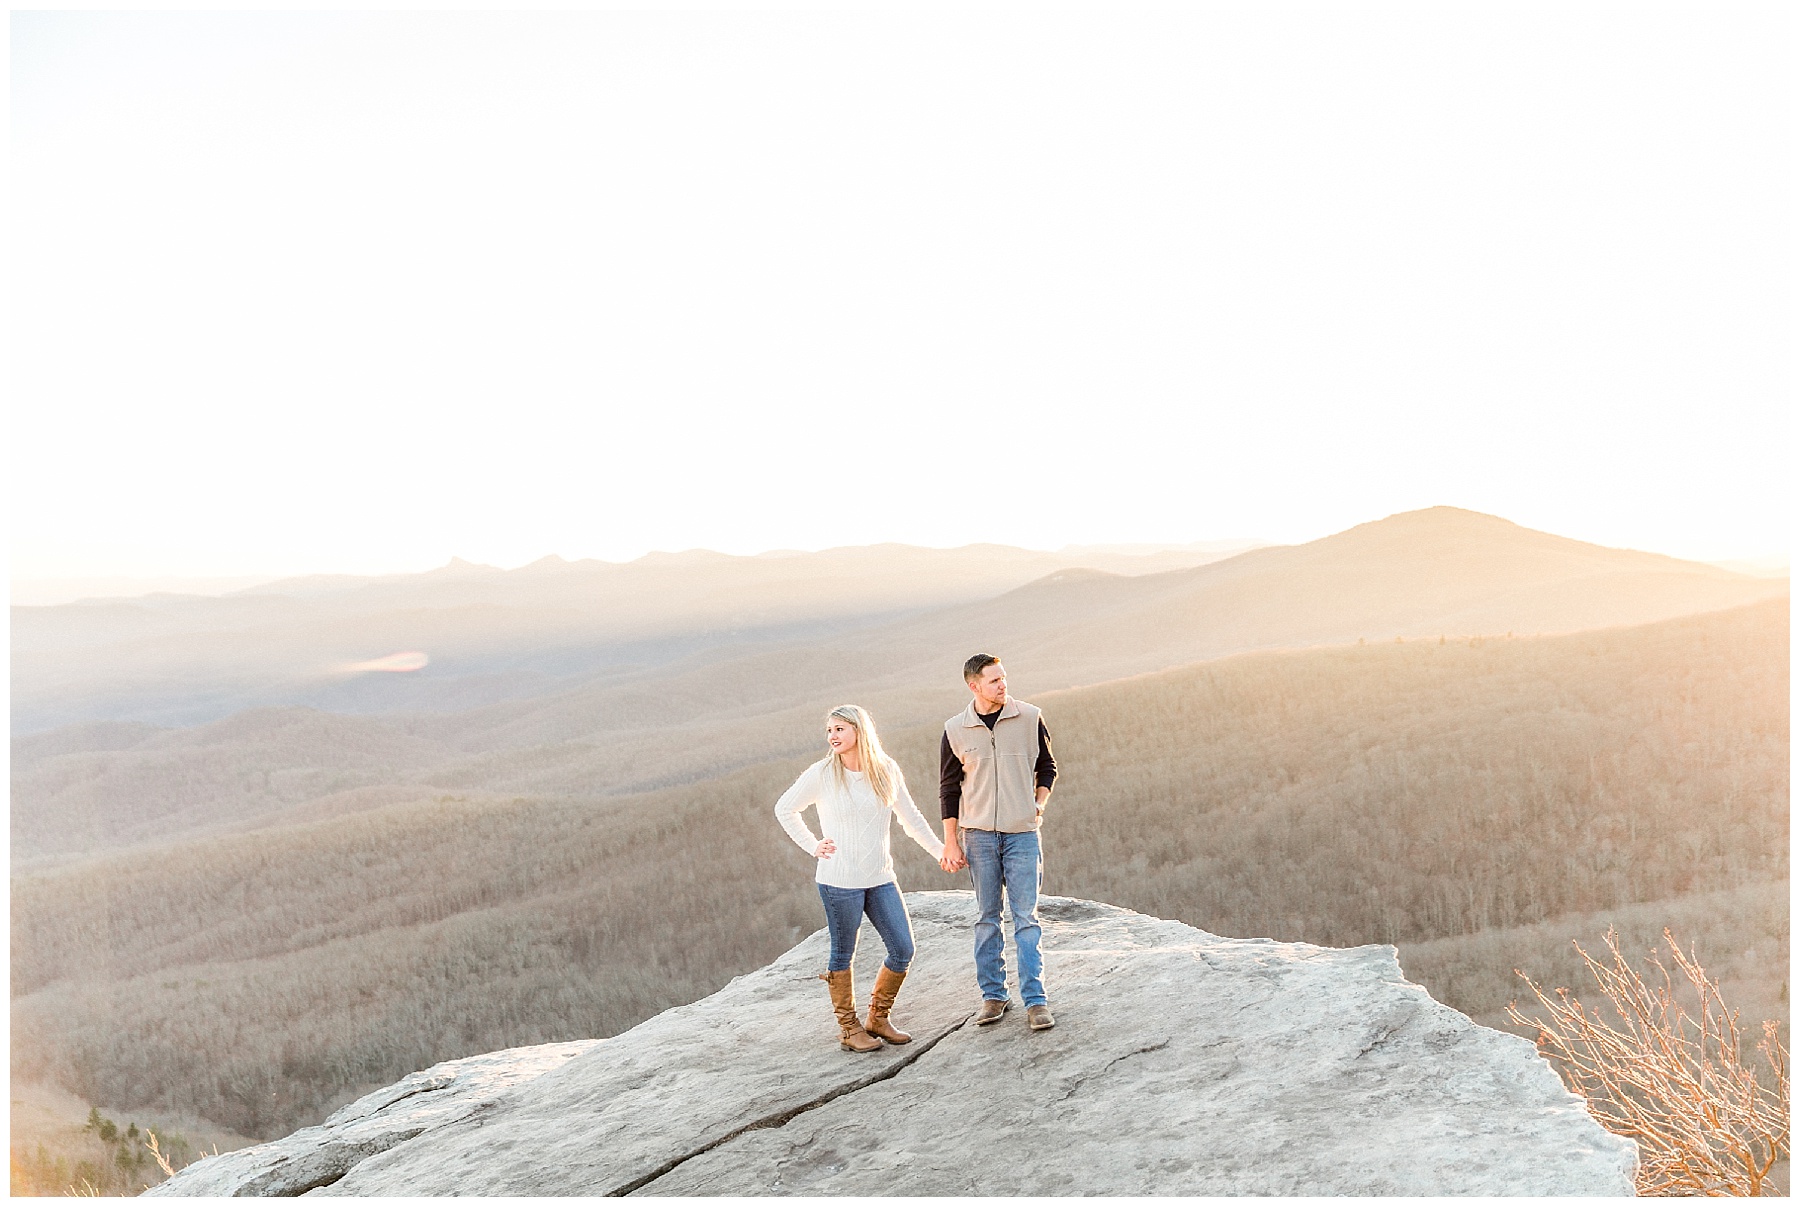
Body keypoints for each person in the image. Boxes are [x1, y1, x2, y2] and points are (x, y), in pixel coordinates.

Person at [775, 704, 947, 1053]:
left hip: (880, 877)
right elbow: (785, 808)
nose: (832, 736)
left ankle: (877, 1018)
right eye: (829, 731)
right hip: (838, 881)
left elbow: (911, 819)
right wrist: (813, 845)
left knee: (902, 948)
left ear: (859, 730)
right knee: (842, 954)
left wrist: (941, 852)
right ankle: (849, 1029)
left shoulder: (885, 770)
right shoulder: (823, 773)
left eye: (839, 729)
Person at [938, 653, 1058, 1031]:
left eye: (1004, 677)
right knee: (987, 919)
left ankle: (1035, 1001)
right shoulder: (955, 729)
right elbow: (948, 788)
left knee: (1026, 919)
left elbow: (1048, 767)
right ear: (974, 686)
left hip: (1022, 832)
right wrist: (950, 842)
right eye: (993, 680)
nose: (1003, 684)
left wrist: (1037, 806)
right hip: (978, 837)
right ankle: (993, 996)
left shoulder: (1029, 716)